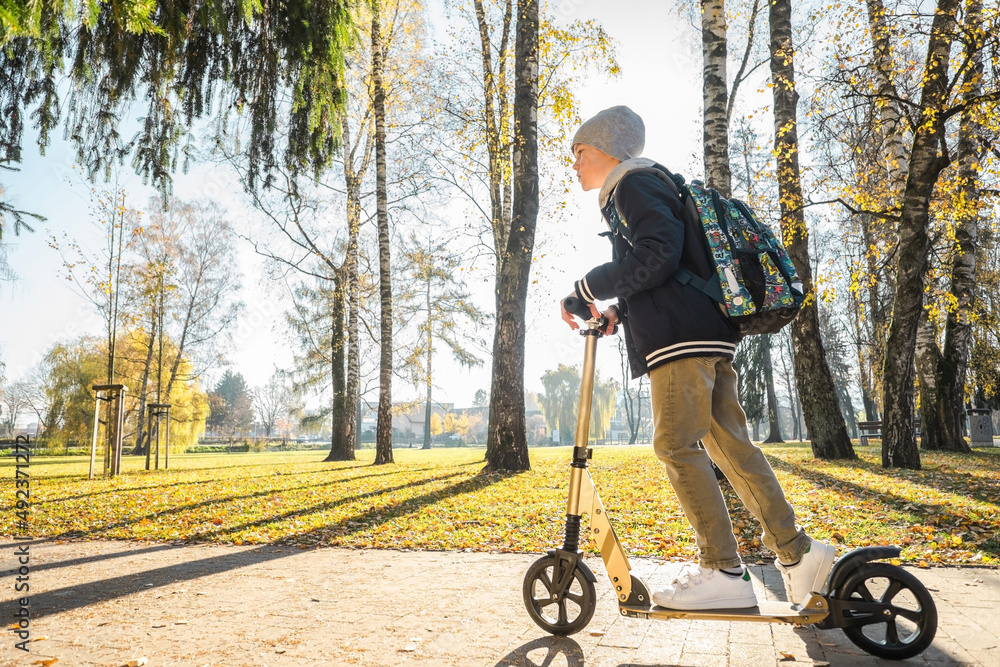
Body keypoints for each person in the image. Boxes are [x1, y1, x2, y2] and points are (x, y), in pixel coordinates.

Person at [561, 105, 835, 611]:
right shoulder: (651, 185)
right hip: (705, 333)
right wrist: (621, 308)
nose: (573, 164)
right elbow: (671, 263)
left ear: (605, 150)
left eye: (578, 153)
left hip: (681, 343)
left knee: (674, 444)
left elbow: (658, 255)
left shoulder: (632, 184)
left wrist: (586, 286)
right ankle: (798, 554)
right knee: (732, 449)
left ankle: (723, 570)